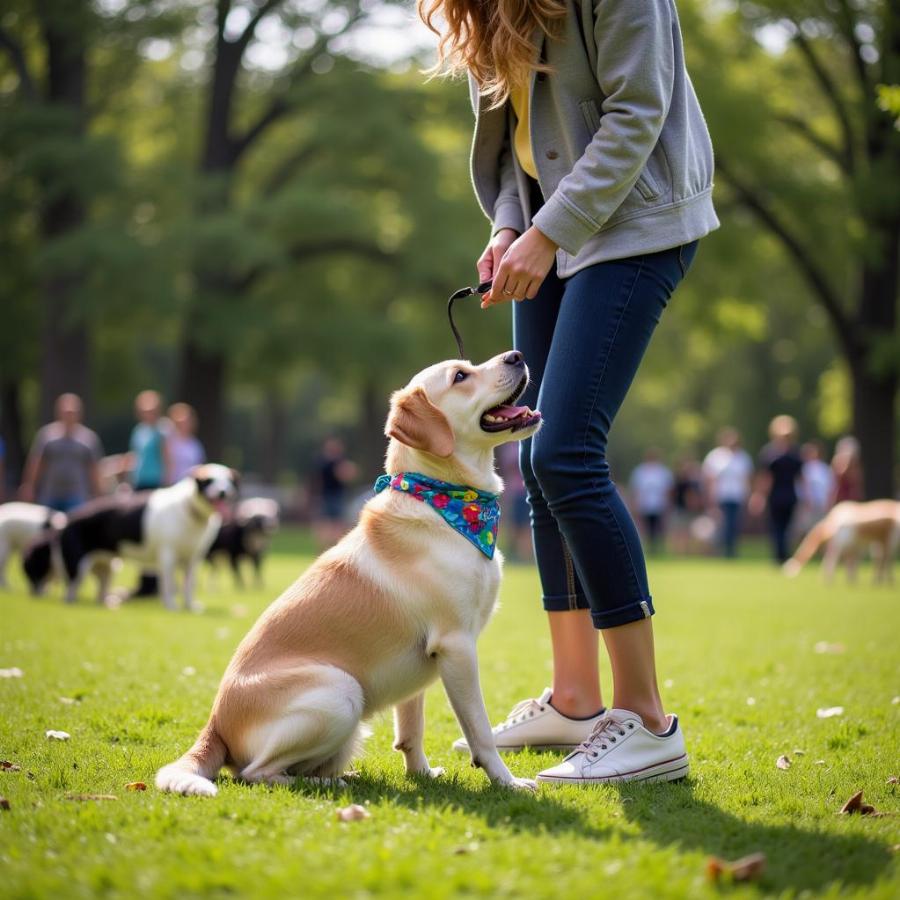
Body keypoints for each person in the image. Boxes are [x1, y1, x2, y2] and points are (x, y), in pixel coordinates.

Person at [421, 0, 718, 783]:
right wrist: (508, 228)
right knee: (536, 456)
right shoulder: (488, 11)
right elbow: (519, 142)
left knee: (566, 452)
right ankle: (576, 697)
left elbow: (638, 111)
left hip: (633, 223)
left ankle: (648, 721)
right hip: (551, 226)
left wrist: (549, 233)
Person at [20, 393, 103, 512]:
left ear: (79, 413)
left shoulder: (88, 438)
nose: (69, 416)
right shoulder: (46, 435)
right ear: (58, 412)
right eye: (66, 412)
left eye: (72, 412)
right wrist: (28, 486)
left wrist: (98, 493)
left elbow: (94, 469)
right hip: (50, 494)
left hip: (77, 495)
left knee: (74, 528)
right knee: (48, 529)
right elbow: (36, 462)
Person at [127, 390, 169, 597]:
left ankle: (158, 583)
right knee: (142, 533)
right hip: (139, 484)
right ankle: (145, 581)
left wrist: (167, 484)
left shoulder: (162, 431)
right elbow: (136, 458)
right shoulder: (139, 431)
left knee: (158, 535)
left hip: (155, 485)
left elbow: (167, 458)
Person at [750, 415, 804, 564]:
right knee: (779, 529)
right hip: (778, 495)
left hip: (786, 495)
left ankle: (782, 557)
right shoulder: (785, 453)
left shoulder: (781, 453)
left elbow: (800, 478)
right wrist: (759, 495)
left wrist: (759, 495)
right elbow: (766, 478)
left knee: (784, 529)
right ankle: (782, 557)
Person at [702, 427, 753, 558]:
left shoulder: (743, 458)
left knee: (734, 525)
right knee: (722, 525)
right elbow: (709, 479)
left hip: (737, 496)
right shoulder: (715, 456)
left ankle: (731, 551)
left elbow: (746, 479)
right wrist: (710, 498)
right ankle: (721, 551)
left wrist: (748, 497)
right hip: (721, 497)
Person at [313, 438, 357, 549]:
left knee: (333, 524)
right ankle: (330, 547)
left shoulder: (325, 461)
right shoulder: (329, 462)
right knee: (331, 525)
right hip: (331, 496)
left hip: (334, 496)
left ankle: (329, 548)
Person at [628, 449, 674, 554]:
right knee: (646, 529)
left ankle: (659, 549)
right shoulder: (640, 472)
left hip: (659, 505)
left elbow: (668, 490)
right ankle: (648, 549)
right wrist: (635, 504)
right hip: (645, 505)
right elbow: (636, 490)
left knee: (659, 529)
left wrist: (668, 505)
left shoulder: (663, 472)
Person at [670, 456, 703, 554]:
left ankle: (685, 550)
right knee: (678, 530)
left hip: (687, 510)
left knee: (686, 532)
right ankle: (678, 551)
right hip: (679, 508)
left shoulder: (692, 482)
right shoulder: (678, 481)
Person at [167, 403, 205, 483]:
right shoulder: (167, 441)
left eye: (186, 421)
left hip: (189, 485)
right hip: (171, 486)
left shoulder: (195, 444)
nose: (183, 424)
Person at [799, 440, 834, 521]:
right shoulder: (804, 468)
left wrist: (829, 503)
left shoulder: (825, 468)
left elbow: (830, 487)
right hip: (807, 506)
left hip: (822, 504)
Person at [831, 435, 864, 505]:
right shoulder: (837, 461)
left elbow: (856, 482)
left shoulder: (856, 465)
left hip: (851, 500)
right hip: (840, 500)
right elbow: (836, 480)